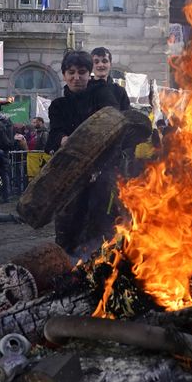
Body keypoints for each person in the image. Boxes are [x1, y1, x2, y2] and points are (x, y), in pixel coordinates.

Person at [46, 50, 121, 253]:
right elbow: (55, 133)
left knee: (100, 223)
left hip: (101, 171)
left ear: (90, 74)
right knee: (68, 225)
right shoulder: (58, 106)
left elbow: (113, 122)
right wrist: (63, 139)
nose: (76, 78)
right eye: (71, 72)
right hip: (69, 174)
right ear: (64, 75)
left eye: (81, 72)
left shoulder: (102, 94)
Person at [89, 46, 132, 112]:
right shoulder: (85, 88)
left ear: (110, 64)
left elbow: (126, 116)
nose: (100, 65)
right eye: (96, 62)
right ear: (91, 65)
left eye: (104, 61)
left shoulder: (119, 91)